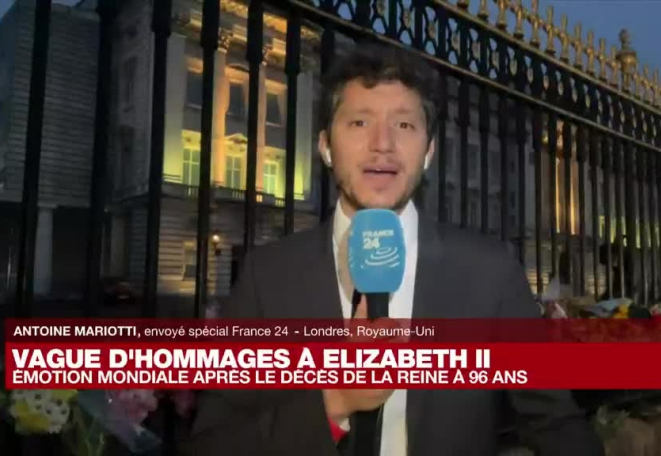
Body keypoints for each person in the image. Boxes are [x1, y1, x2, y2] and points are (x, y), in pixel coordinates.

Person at [185, 44, 604, 456]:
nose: (382, 143)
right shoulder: (267, 275)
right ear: (326, 146)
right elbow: (213, 440)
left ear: (429, 151)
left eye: (404, 125)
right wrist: (334, 401)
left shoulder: (490, 273)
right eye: (359, 122)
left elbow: (555, 424)